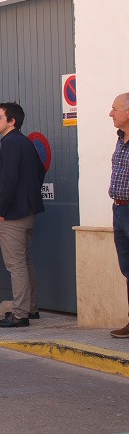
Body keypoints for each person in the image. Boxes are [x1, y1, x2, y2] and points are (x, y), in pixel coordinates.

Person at [0, 102, 46, 328]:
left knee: (16, 265)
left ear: (12, 121)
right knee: (25, 261)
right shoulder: (25, 143)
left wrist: (1, 211)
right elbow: (40, 171)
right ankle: (30, 308)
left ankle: (20, 314)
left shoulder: (12, 143)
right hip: (27, 210)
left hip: (13, 214)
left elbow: (9, 180)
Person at [109, 93, 129, 338]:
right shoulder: (120, 139)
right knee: (127, 269)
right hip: (119, 208)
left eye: (115, 109)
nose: (110, 113)